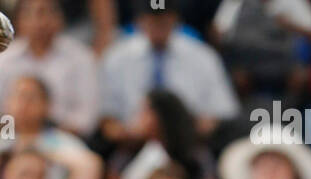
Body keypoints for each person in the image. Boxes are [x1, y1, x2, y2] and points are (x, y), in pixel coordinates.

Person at [99, 0, 240, 145]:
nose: (158, 27)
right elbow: (106, 118)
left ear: (175, 20)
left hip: (189, 143)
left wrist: (184, 128)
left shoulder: (202, 56)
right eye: (153, 21)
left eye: (164, 21)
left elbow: (222, 112)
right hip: (132, 144)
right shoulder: (117, 57)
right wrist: (130, 132)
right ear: (139, 21)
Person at [0, 0, 101, 139]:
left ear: (61, 18)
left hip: (62, 141)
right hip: (10, 137)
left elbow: (86, 120)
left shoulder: (81, 58)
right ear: (18, 20)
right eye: (33, 13)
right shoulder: (2, 60)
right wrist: (19, 137)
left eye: (48, 12)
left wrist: (47, 138)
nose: (41, 21)